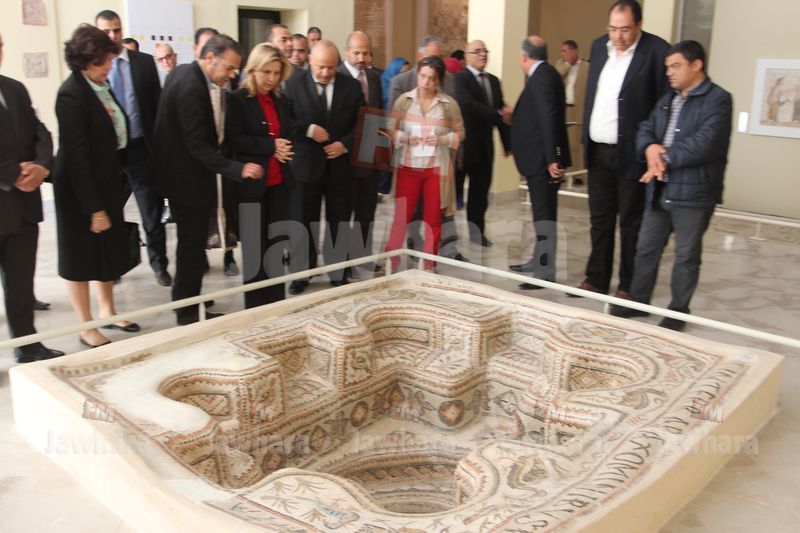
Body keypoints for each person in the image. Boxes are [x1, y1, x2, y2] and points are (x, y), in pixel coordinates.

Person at [610, 40, 732, 331]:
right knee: (646, 249)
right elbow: (646, 128)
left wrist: (661, 158)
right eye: (667, 67)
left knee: (686, 256)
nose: (669, 73)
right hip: (660, 188)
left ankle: (678, 310)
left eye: (676, 66)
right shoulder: (669, 98)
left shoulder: (718, 99)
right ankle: (638, 301)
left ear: (696, 65)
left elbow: (706, 143)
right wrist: (650, 148)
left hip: (694, 193)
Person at [150, 34, 264, 325]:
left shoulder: (184, 72)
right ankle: (187, 312)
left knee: (191, 247)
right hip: (187, 181)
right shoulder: (191, 88)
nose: (233, 74)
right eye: (229, 67)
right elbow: (197, 146)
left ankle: (189, 300)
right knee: (191, 247)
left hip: (183, 177)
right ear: (210, 57)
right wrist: (237, 169)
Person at [53, 24, 141, 348]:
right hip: (78, 189)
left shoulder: (100, 86)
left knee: (107, 250)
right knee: (79, 257)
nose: (109, 67)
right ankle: (86, 325)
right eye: (103, 61)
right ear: (85, 60)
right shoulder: (71, 94)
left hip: (105, 179)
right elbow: (77, 157)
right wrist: (94, 209)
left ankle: (108, 311)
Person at [577, 0, 670, 298]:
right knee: (600, 220)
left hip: (633, 153)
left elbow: (664, 105)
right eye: (613, 29)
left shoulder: (656, 51)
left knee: (631, 222)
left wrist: (654, 145)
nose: (617, 36)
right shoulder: (597, 47)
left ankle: (628, 285)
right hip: (598, 150)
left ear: (639, 25)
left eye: (625, 29)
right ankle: (596, 278)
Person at [0, 33, 65, 363]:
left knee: (21, 284)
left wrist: (41, 166)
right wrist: (13, 173)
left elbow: (41, 132)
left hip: (23, 208)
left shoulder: (14, 88)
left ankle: (28, 347)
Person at [284, 40, 364, 295]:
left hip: (339, 166)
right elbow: (285, 120)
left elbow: (362, 123)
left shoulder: (351, 86)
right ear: (310, 60)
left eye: (331, 67)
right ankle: (301, 273)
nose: (326, 72)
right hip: (305, 166)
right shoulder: (293, 84)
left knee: (338, 220)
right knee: (301, 221)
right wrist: (308, 130)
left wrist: (344, 145)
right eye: (320, 67)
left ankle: (337, 271)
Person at [95, 10, 169, 287]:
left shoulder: (144, 63)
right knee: (110, 214)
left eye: (116, 30)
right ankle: (113, 267)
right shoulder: (94, 67)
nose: (112, 36)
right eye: (106, 31)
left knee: (151, 214)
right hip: (109, 156)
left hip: (140, 150)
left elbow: (157, 109)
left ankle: (160, 266)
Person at [225, 43, 294, 308]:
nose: (272, 79)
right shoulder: (237, 99)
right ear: (253, 69)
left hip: (278, 185)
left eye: (277, 73)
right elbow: (234, 139)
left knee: (275, 248)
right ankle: (255, 311)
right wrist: (270, 146)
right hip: (250, 187)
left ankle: (276, 307)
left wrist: (285, 147)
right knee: (255, 252)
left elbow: (286, 132)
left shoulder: (280, 99)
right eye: (266, 72)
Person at [384, 56, 464, 271]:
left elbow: (460, 133)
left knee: (433, 220)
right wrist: (404, 137)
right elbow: (391, 130)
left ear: (439, 80)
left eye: (431, 78)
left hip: (436, 169)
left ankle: (429, 265)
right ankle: (391, 263)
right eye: (422, 76)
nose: (426, 82)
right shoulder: (404, 101)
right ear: (417, 75)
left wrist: (442, 139)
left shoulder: (448, 105)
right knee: (401, 218)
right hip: (408, 168)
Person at [508, 37, 570, 289]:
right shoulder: (547, 73)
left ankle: (545, 272)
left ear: (524, 56)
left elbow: (548, 118)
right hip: (541, 158)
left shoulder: (541, 76)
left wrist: (553, 158)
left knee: (544, 216)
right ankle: (538, 260)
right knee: (541, 215)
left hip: (543, 161)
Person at [454, 39, 511, 247]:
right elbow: (468, 105)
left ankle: (477, 234)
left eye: (485, 51)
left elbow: (502, 112)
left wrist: (507, 142)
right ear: (466, 56)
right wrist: (498, 114)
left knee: (480, 195)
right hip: (463, 148)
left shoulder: (494, 81)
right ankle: (447, 237)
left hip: (485, 148)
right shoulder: (460, 79)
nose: (482, 54)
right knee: (454, 194)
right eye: (477, 51)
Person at [338, 31, 383, 275]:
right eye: (356, 53)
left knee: (367, 211)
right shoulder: (338, 76)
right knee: (344, 212)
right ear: (347, 51)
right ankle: (343, 262)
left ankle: (363, 255)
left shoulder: (374, 77)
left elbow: (378, 114)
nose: (361, 58)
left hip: (370, 155)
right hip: (344, 157)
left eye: (366, 53)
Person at [389, 36, 456, 107]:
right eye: (432, 58)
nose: (437, 62)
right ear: (419, 56)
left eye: (440, 58)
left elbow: (453, 108)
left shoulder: (448, 78)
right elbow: (395, 112)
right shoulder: (400, 82)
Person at [556, 39, 589, 176]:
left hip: (579, 108)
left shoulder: (587, 67)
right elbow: (555, 77)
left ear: (574, 51)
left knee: (577, 144)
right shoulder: (560, 64)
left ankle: (578, 175)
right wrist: (567, 65)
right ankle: (563, 172)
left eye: (565, 51)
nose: (562, 54)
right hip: (563, 108)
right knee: (564, 143)